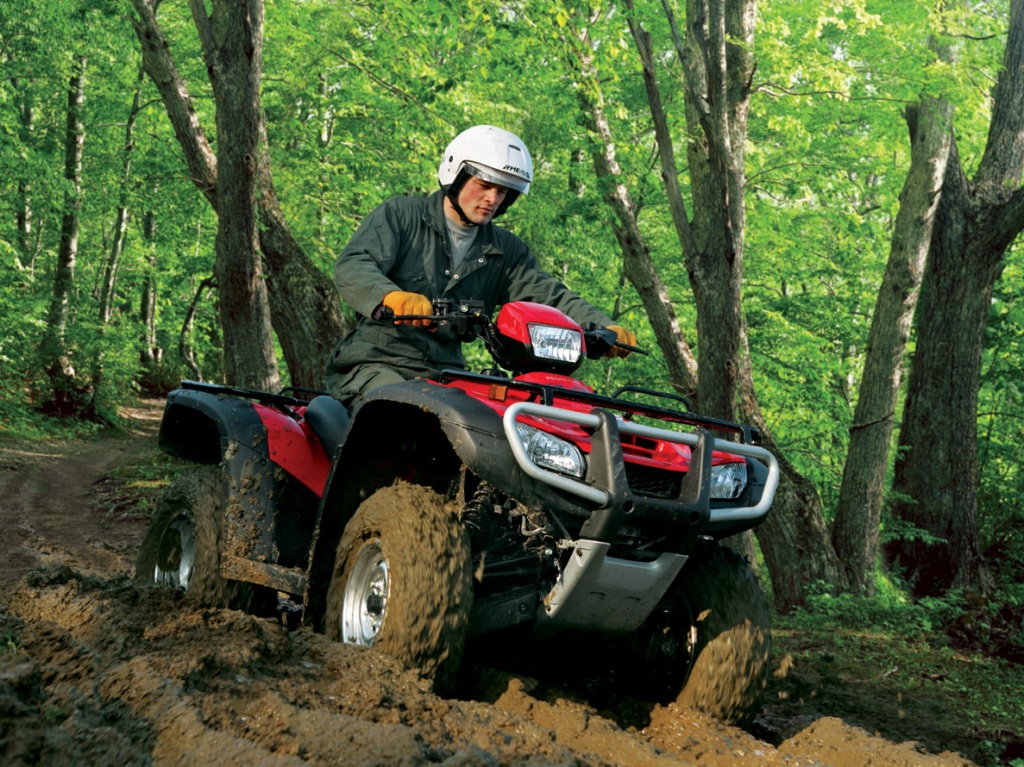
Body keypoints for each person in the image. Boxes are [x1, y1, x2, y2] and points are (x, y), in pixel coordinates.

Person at [325, 124, 636, 409]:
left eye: (503, 191)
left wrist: (602, 326)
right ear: (456, 175)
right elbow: (354, 265)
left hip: (446, 375)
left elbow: (551, 296)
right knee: (401, 414)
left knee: (498, 423)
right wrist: (390, 297)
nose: (492, 198)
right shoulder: (401, 215)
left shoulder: (506, 250)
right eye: (484, 185)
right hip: (375, 363)